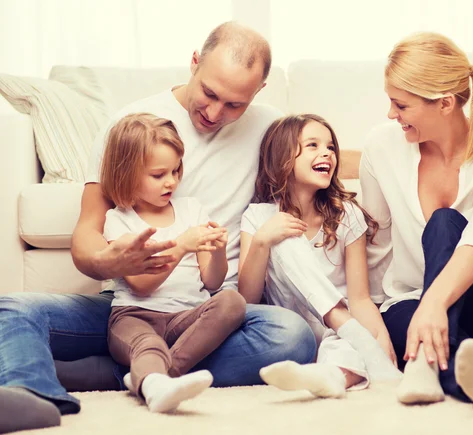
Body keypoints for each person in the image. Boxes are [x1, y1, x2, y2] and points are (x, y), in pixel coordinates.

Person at [0, 22, 316, 433]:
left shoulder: (272, 129)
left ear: (259, 92)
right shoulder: (131, 125)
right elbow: (88, 232)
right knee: (13, 310)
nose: (215, 113)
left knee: (292, 336)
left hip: (204, 315)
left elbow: (324, 163)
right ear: (194, 63)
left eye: (235, 105)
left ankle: (135, 375)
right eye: (209, 93)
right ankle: (32, 395)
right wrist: (108, 259)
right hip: (128, 306)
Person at [360, 32, 473, 407]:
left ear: (445, 103)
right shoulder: (380, 147)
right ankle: (463, 375)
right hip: (411, 302)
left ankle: (425, 362)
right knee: (396, 319)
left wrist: (434, 303)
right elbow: (378, 242)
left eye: (400, 105)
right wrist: (368, 315)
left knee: (444, 222)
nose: (392, 115)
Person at [238, 114, 401, 399]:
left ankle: (332, 376)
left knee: (345, 349)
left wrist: (379, 338)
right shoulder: (259, 217)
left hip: (339, 331)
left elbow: (360, 297)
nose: (326, 152)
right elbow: (248, 300)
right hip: (290, 331)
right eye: (312, 145)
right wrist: (262, 241)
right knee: (283, 233)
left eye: (330, 147)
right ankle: (352, 337)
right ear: (282, 158)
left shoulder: (346, 214)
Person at [101, 113, 249, 413]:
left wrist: (218, 250)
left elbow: (212, 282)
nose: (171, 181)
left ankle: (153, 379)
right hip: (135, 316)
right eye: (159, 175)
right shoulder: (118, 220)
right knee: (149, 346)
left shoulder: (191, 209)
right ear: (127, 174)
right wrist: (182, 245)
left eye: (176, 170)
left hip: (186, 317)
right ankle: (154, 381)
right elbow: (141, 285)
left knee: (231, 301)